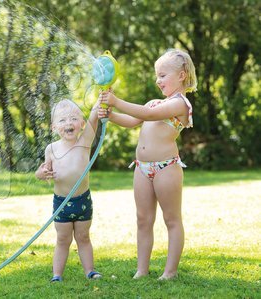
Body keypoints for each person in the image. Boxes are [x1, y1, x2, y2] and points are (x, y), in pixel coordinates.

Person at [98, 48, 197, 280]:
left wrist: (116, 100)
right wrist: (110, 114)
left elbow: (149, 115)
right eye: (157, 76)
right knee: (143, 219)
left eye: (163, 75)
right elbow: (133, 120)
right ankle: (141, 270)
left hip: (166, 168)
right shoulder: (154, 103)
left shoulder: (180, 104)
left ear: (181, 75)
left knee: (171, 220)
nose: (157, 80)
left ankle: (169, 272)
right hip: (141, 168)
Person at [35, 98, 103, 282]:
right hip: (61, 202)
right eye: (62, 120)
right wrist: (41, 173)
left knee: (83, 237)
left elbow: (94, 115)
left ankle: (90, 271)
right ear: (54, 127)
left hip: (82, 201)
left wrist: (101, 99)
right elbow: (42, 172)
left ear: (81, 124)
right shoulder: (51, 149)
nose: (68, 123)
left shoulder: (84, 142)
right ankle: (57, 275)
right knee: (63, 239)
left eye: (73, 119)